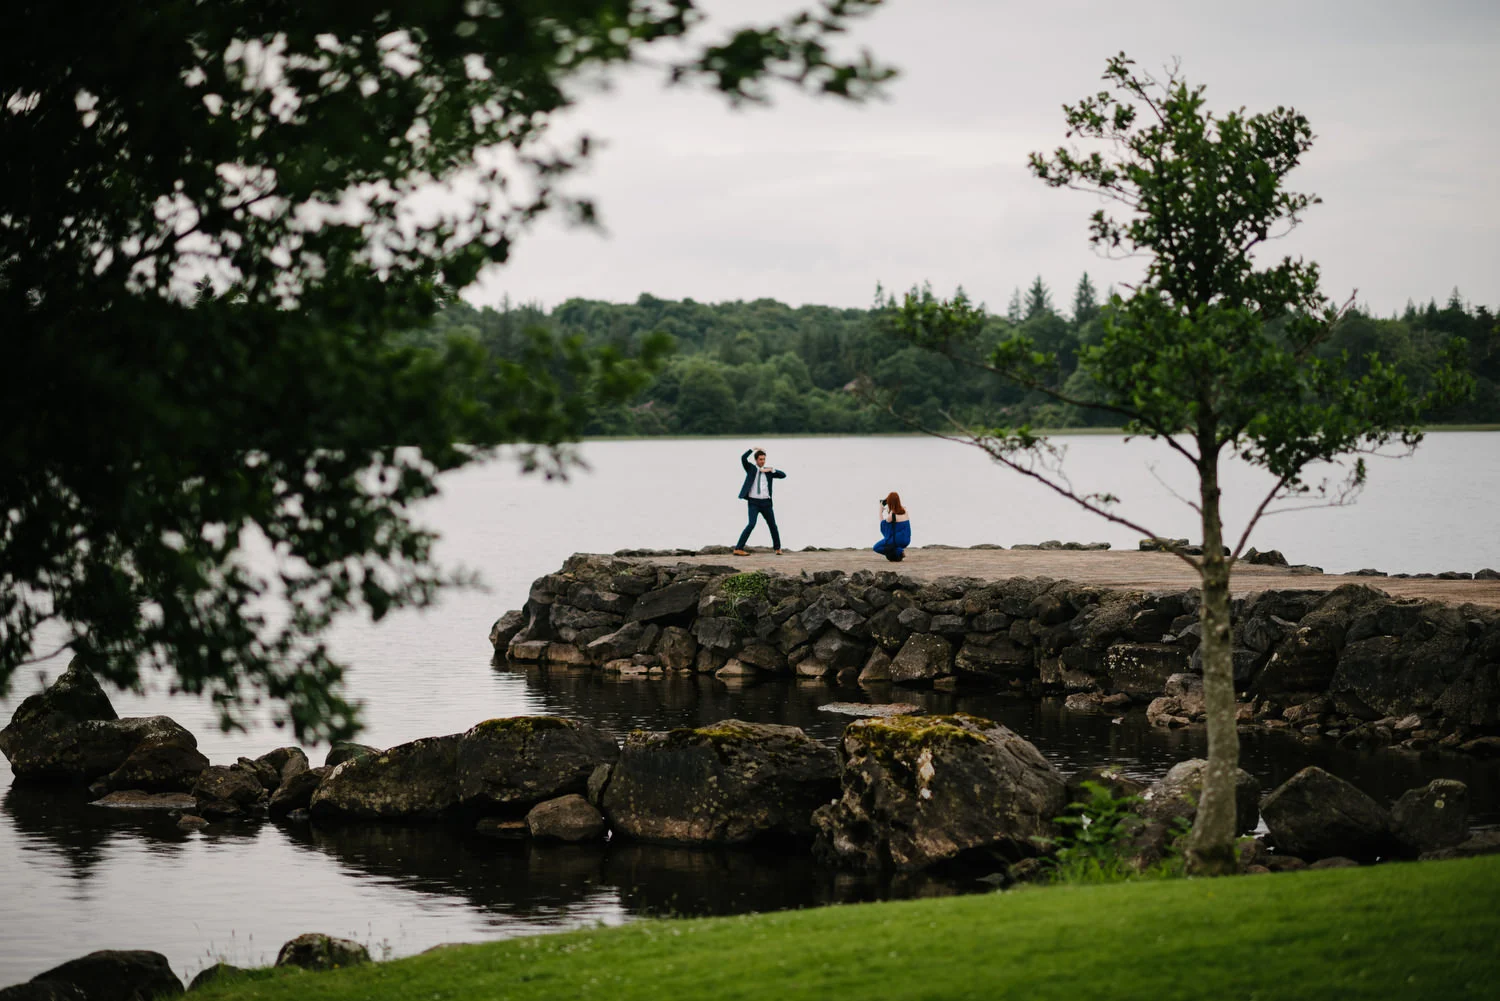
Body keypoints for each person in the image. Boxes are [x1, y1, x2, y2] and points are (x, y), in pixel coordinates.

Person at [733, 446, 786, 555]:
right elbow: (743, 458)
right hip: (754, 503)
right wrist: (752, 449)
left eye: (764, 459)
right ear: (756, 460)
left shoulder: (768, 471)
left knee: (772, 525)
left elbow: (783, 475)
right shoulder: (751, 468)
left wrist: (772, 469)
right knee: (751, 524)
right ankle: (738, 548)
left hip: (766, 503)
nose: (762, 461)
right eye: (760, 459)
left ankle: (777, 548)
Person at [873, 491, 911, 561]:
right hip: (907, 539)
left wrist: (880, 511)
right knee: (893, 529)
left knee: (876, 547)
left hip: (898, 540)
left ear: (890, 502)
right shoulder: (905, 510)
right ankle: (899, 552)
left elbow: (883, 524)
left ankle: (899, 551)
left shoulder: (892, 515)